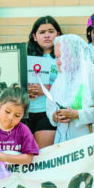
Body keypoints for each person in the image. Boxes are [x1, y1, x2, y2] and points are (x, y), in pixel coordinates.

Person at [46, 34, 94, 144]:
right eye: (57, 57)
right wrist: (54, 116)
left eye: (62, 57)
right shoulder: (61, 78)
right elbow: (50, 107)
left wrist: (78, 114)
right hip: (63, 143)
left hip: (89, 142)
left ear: (75, 54)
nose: (58, 62)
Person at [26, 16, 62, 149]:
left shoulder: (63, 57)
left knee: (43, 156)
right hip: (25, 112)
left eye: (51, 31)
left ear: (58, 35)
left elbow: (73, 86)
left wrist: (48, 89)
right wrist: (24, 89)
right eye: (42, 32)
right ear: (34, 36)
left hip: (49, 112)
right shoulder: (25, 57)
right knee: (25, 154)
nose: (47, 35)